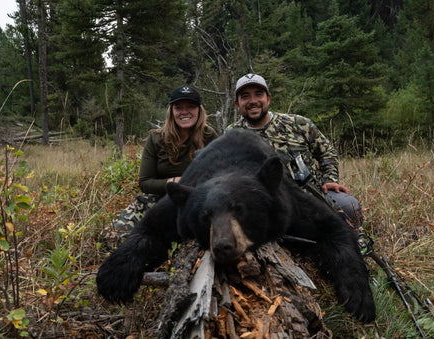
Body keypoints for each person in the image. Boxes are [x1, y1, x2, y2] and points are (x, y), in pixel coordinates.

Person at [227, 73, 362, 227]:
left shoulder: (298, 124)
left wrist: (329, 179)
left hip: (310, 197)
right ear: (237, 104)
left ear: (268, 98)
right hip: (263, 205)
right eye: (245, 96)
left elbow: (327, 152)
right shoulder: (231, 135)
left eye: (258, 94)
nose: (253, 101)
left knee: (348, 206)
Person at [110, 86, 218, 241]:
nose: (184, 112)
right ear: (171, 111)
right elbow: (145, 183)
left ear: (199, 110)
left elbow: (220, 177)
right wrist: (174, 182)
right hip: (159, 200)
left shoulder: (210, 136)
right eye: (178, 107)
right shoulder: (156, 138)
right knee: (113, 236)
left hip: (198, 202)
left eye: (191, 106)